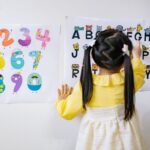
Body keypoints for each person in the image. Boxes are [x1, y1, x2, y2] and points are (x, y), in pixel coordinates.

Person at [55, 29, 147, 150]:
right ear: (125, 60)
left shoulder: (85, 85)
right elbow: (139, 74)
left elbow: (67, 112)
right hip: (126, 141)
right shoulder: (129, 81)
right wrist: (136, 57)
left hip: (95, 142)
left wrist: (62, 100)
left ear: (95, 57)